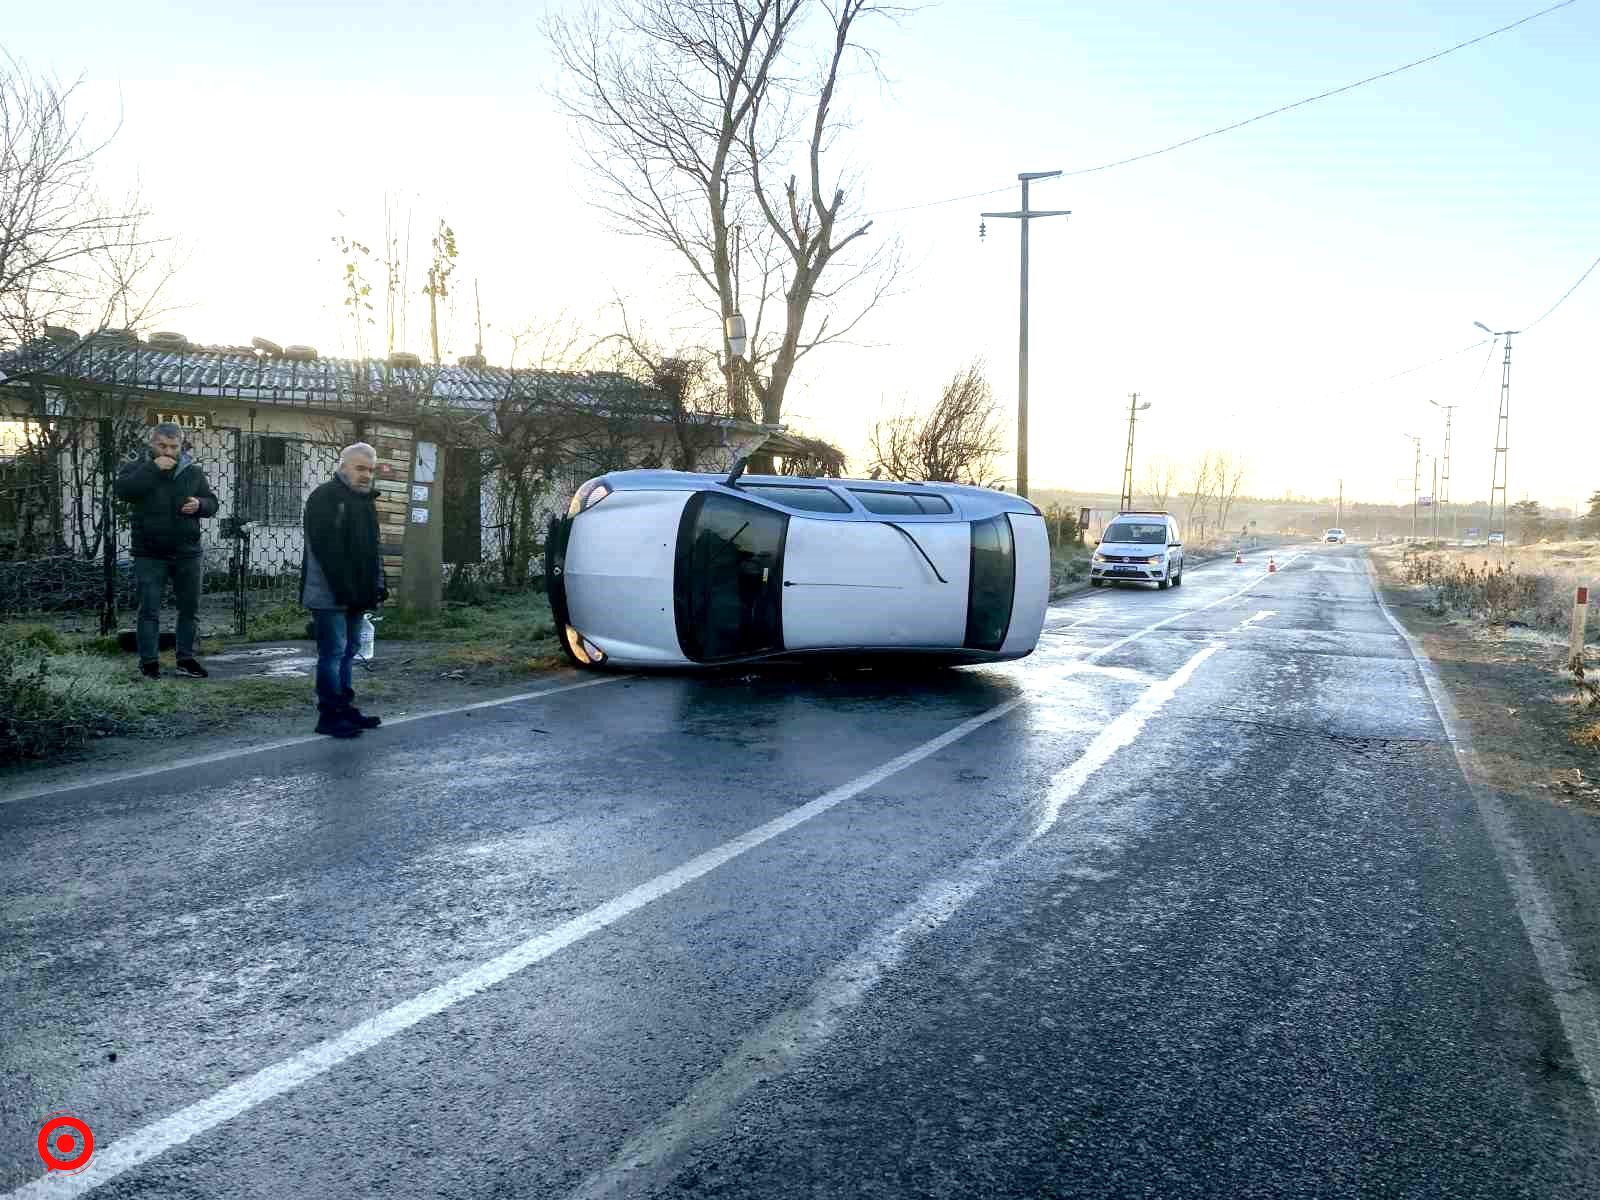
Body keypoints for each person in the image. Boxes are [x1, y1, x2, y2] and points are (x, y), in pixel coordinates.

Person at [114, 422, 220, 679]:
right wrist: (152, 469)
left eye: (173, 447)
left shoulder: (192, 472)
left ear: (180, 446)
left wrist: (200, 504)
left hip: (187, 552)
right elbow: (124, 491)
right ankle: (149, 663)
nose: (168, 452)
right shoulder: (137, 468)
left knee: (189, 610)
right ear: (152, 444)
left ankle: (185, 658)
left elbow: (212, 503)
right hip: (150, 553)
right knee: (149, 610)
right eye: (162, 445)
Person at [301, 442, 388, 738]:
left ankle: (345, 709)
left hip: (354, 592)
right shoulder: (325, 497)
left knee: (349, 651)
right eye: (360, 468)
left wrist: (377, 585)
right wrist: (349, 591)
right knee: (333, 652)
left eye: (370, 470)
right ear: (343, 466)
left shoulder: (363, 500)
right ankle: (329, 715)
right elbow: (328, 553)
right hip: (328, 593)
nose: (366, 475)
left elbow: (371, 550)